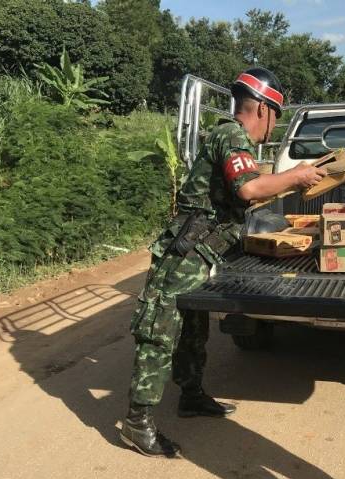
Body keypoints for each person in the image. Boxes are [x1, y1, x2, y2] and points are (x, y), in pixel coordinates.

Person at [120, 67, 327, 458]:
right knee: (160, 332)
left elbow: (245, 190)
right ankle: (136, 421)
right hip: (184, 254)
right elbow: (249, 187)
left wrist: (284, 181)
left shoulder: (234, 142)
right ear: (264, 109)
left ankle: (192, 396)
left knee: (193, 328)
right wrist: (296, 175)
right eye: (275, 118)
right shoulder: (231, 134)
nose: (272, 129)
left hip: (202, 254)